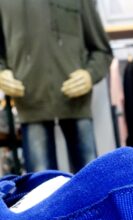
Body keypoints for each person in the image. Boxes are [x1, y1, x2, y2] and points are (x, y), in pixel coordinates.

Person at [0, 0, 112, 172]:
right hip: (30, 102)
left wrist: (90, 75)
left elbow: (102, 50)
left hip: (76, 101)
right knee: (42, 182)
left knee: (89, 179)